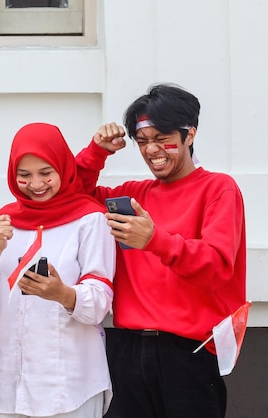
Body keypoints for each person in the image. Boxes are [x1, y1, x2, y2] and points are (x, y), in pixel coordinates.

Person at [75, 83, 246, 418]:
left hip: (189, 354)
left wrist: (155, 241)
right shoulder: (133, 194)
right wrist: (96, 152)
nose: (152, 149)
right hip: (127, 348)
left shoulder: (219, 188)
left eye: (162, 137)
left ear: (189, 134)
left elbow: (217, 266)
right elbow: (70, 196)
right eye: (142, 141)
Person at [0, 122, 116, 418]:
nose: (36, 184)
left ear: (63, 169)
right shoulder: (2, 222)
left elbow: (100, 301)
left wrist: (62, 294)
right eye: (24, 175)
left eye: (46, 173)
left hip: (70, 386)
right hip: (6, 384)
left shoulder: (90, 221)